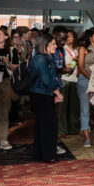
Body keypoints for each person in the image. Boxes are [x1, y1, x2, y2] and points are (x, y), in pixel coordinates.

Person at [28, 33, 63, 162]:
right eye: (53, 44)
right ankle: (48, 155)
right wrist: (57, 93)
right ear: (45, 45)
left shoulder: (46, 57)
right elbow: (46, 79)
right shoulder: (40, 59)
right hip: (40, 95)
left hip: (45, 94)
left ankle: (42, 154)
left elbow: (52, 78)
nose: (55, 46)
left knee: (43, 125)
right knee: (48, 126)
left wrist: (54, 92)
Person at [0, 28, 19, 151]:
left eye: (0, 34)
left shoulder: (11, 50)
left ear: (6, 37)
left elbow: (14, 68)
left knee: (4, 113)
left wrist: (7, 63)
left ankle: (3, 139)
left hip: (5, 82)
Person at [76, 28, 94, 147]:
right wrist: (91, 78)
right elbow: (81, 66)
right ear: (90, 37)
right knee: (85, 109)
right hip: (84, 81)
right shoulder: (83, 48)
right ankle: (87, 137)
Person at [59, 30, 81, 136]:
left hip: (75, 79)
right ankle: (63, 130)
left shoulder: (77, 50)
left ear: (74, 38)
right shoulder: (62, 49)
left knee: (74, 106)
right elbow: (61, 65)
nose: (67, 38)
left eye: (70, 36)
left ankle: (73, 128)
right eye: (66, 36)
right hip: (64, 79)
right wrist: (68, 65)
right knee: (63, 106)